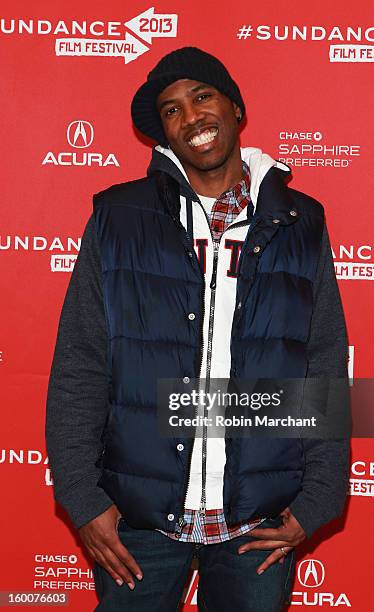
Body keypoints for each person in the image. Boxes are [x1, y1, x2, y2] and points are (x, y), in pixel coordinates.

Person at [46, 46, 350, 611]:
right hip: (138, 522)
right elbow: (81, 363)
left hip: (255, 524)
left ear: (236, 109)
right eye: (172, 110)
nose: (191, 118)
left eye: (202, 97)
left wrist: (320, 498)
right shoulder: (118, 219)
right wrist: (82, 498)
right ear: (163, 133)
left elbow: (322, 359)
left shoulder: (300, 222)